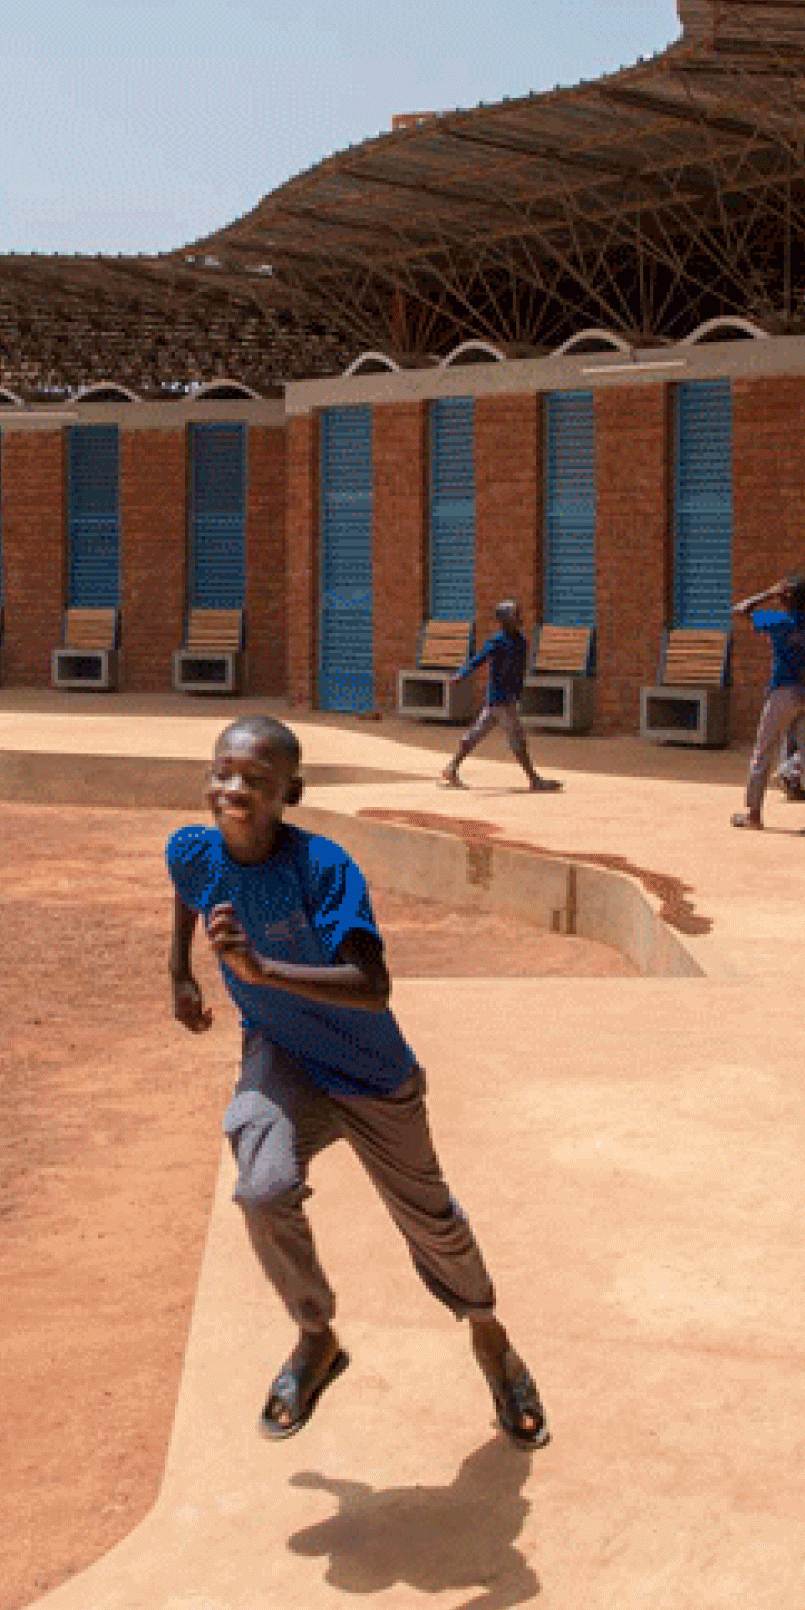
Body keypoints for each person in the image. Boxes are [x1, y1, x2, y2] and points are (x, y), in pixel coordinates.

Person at [167, 715, 549, 1449]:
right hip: (280, 1053)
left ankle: (488, 1334)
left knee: (431, 1221)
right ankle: (316, 1336)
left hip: (370, 1071)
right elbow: (188, 889)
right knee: (261, 1188)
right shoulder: (191, 850)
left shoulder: (324, 868)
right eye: (224, 773)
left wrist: (261, 970)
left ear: (291, 792)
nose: (234, 789)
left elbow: (373, 986)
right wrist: (179, 972)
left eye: (256, 779)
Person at [731, 575, 805, 837]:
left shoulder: (777, 621)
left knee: (763, 753)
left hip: (782, 694)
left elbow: (740, 610)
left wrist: (767, 593)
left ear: (785, 599)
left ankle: (753, 815)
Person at [439, 600, 560, 793]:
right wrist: (461, 675)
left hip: (505, 698)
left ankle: (452, 767)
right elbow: (478, 659)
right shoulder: (497, 642)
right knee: (517, 738)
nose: (518, 618)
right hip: (500, 699)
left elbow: (518, 670)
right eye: (514, 615)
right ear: (504, 620)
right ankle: (534, 779)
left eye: (518, 614)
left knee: (477, 733)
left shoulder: (521, 641)